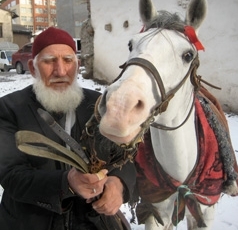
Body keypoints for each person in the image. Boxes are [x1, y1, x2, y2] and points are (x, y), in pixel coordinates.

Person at [0, 27, 136, 230]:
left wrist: (119, 184)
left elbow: (124, 157)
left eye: (68, 60)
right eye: (48, 61)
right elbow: (10, 175)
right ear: (32, 67)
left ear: (77, 64)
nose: (60, 71)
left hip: (92, 222)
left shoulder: (98, 105)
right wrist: (66, 183)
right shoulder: (9, 108)